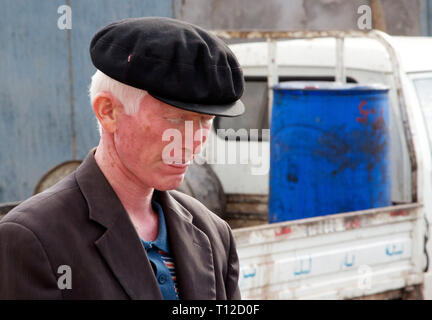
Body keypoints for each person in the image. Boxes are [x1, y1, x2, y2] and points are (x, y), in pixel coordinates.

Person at [0, 17, 245, 299]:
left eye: (206, 120)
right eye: (176, 119)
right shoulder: (30, 240)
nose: (193, 140)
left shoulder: (214, 234)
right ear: (108, 111)